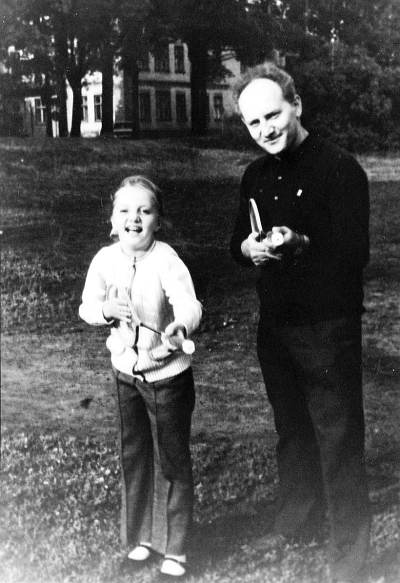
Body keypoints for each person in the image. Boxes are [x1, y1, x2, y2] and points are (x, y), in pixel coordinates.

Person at [230, 63, 371, 583]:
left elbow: (354, 254)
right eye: (253, 122)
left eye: (273, 115)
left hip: (327, 327)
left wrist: (301, 243)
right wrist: (249, 249)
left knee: (338, 439)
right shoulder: (254, 175)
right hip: (276, 326)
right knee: (292, 430)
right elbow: (236, 245)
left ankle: (351, 558)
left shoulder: (340, 169)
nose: (265, 129)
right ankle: (299, 525)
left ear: (296, 105)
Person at [79, 176, 202, 580]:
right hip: (125, 376)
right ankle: (141, 540)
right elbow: (87, 307)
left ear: (158, 221)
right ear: (112, 221)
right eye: (125, 211)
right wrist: (106, 311)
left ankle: (176, 549)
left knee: (172, 458)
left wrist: (180, 326)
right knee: (134, 455)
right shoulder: (104, 260)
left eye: (145, 211)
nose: (134, 218)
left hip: (167, 378)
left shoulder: (167, 260)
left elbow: (189, 304)